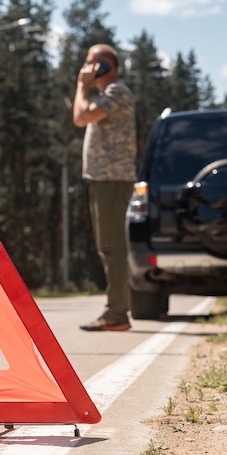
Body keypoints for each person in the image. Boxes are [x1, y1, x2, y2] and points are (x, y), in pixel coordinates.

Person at [73, 44, 137, 332]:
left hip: (112, 179)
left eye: (92, 63)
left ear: (106, 66)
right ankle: (118, 310)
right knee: (109, 246)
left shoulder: (116, 92)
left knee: (112, 247)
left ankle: (116, 313)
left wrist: (81, 86)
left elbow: (80, 117)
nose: (86, 68)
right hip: (104, 179)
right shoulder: (109, 95)